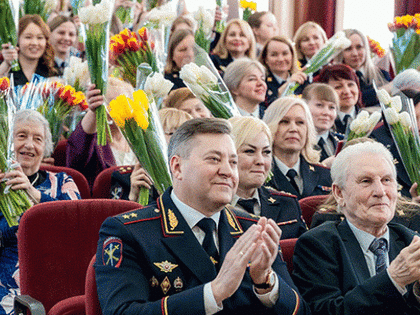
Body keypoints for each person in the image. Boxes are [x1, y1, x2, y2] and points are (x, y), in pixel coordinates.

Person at [95, 118, 309, 315]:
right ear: (177, 167)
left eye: (233, 162)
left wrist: (265, 282)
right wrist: (213, 293)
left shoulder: (252, 229)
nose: (227, 171)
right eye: (214, 159)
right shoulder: (129, 231)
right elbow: (121, 312)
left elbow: (301, 311)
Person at [292, 141, 420, 315]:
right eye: (366, 181)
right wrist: (393, 280)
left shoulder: (409, 240)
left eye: (387, 180)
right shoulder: (317, 245)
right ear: (339, 193)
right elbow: (326, 311)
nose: (381, 191)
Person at [0, 109, 81, 315]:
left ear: (45, 148)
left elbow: (76, 225)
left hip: (56, 277)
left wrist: (33, 193)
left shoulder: (63, 182)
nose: (29, 144)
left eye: (38, 139)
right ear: (6, 141)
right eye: (21, 136)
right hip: (5, 284)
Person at [229, 116, 307, 239]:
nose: (261, 161)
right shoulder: (212, 208)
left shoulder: (287, 203)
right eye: (249, 151)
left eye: (266, 152)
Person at [66, 77, 137, 188]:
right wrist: (93, 111)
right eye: (114, 103)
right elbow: (77, 156)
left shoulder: (137, 141)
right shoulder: (93, 142)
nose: (123, 108)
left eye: (126, 102)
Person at [109, 108, 193, 201]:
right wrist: (133, 196)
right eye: (172, 133)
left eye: (186, 136)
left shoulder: (196, 175)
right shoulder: (125, 178)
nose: (181, 141)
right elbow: (117, 213)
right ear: (152, 137)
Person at [263, 97, 332, 199]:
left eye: (300, 122)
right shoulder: (260, 174)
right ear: (270, 127)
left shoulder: (326, 176)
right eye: (284, 122)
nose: (293, 129)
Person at [335, 29, 392, 107]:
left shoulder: (382, 74)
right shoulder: (335, 79)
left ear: (366, 49)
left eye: (359, 47)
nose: (355, 53)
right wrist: (386, 89)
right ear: (340, 53)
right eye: (348, 49)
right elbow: (358, 100)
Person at [0, 14, 58, 85]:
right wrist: (6, 65)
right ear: (17, 39)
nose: (34, 43)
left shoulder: (52, 70)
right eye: (28, 37)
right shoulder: (5, 67)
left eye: (40, 38)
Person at [259, 36, 308, 106]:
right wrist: (287, 86)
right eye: (274, 55)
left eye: (285, 54)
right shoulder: (261, 83)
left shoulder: (302, 80)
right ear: (266, 59)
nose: (280, 59)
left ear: (292, 56)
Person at [315, 64, 363, 134]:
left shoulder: (372, 119)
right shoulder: (322, 126)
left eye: (350, 84)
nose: (347, 91)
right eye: (338, 87)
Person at [302, 83, 343, 162]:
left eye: (331, 107)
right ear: (304, 107)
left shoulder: (342, 141)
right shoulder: (297, 143)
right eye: (319, 105)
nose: (326, 113)